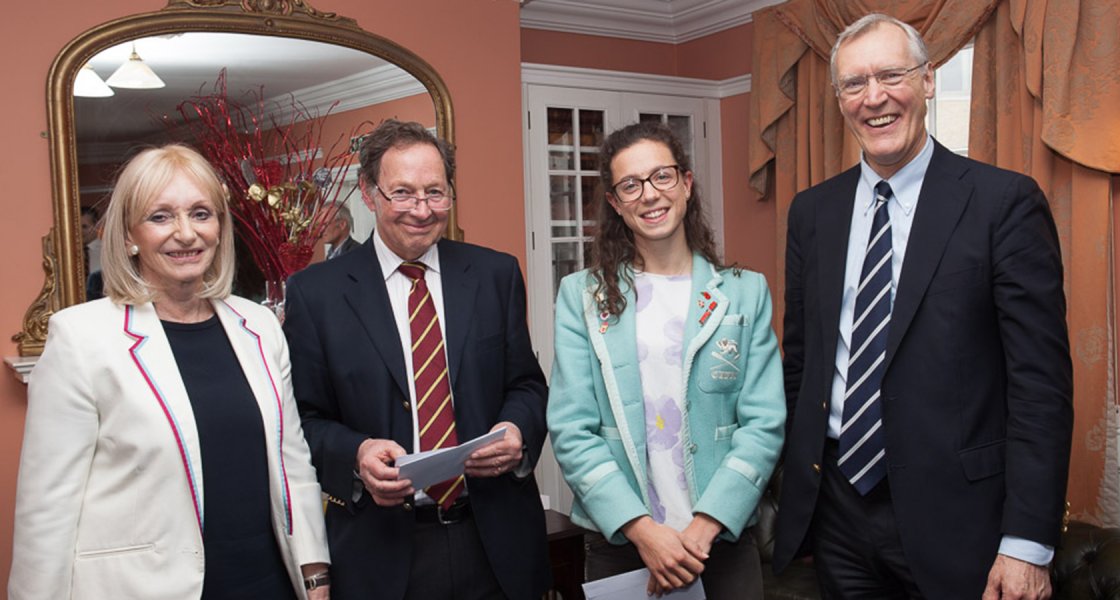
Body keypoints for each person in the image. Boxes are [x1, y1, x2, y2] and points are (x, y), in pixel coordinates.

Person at [772, 13, 1073, 600]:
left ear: (929, 80)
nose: (874, 97)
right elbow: (803, 365)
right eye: (854, 84)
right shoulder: (812, 213)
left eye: (891, 75)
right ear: (839, 100)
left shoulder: (1002, 204)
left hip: (961, 524)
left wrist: (1027, 545)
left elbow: (1040, 388)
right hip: (836, 513)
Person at [9, 144, 330, 599]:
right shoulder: (81, 339)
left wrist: (315, 574)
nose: (186, 234)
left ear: (220, 227)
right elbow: (47, 507)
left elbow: (291, 461)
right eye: (161, 217)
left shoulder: (257, 325)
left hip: (266, 582)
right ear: (127, 236)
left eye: (201, 214)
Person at [282, 119, 551, 599]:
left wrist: (516, 431)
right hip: (381, 552)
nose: (422, 211)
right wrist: (357, 454)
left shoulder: (495, 274)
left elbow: (526, 385)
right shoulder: (316, 294)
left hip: (494, 542)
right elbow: (304, 418)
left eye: (435, 192)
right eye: (402, 193)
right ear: (368, 193)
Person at [548, 122, 785, 599]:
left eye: (662, 177)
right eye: (630, 185)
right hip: (622, 542)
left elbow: (764, 424)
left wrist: (700, 531)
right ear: (615, 202)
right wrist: (644, 532)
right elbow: (572, 429)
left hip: (722, 538)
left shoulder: (743, 292)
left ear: (686, 183)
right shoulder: (582, 296)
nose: (650, 195)